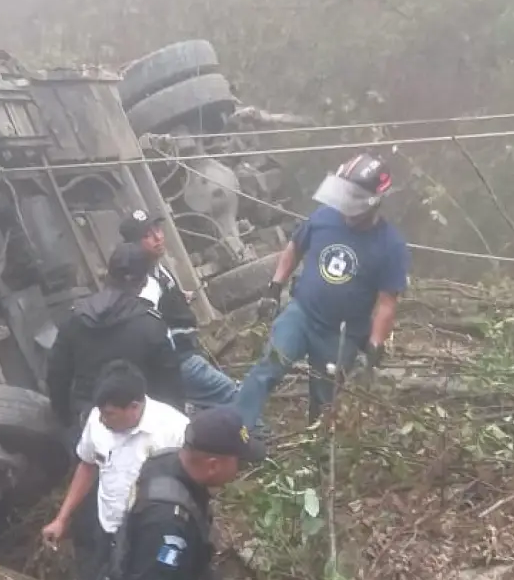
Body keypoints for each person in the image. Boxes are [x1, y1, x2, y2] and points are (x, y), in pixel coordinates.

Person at [66, 405, 264, 580]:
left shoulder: (168, 463)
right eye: (238, 462)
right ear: (213, 465)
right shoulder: (167, 521)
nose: (240, 469)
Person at [235, 154, 409, 431]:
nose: (345, 207)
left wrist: (375, 345)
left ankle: (313, 454)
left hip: (341, 334)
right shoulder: (324, 217)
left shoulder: (390, 246)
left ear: (374, 202)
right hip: (301, 314)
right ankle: (235, 430)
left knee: (326, 399)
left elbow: (387, 303)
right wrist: (274, 287)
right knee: (268, 367)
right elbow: (294, 247)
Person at [41, 361, 189, 580]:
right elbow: (87, 466)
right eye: (100, 411)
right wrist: (61, 519)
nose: (101, 419)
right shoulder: (97, 421)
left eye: (109, 414)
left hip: (147, 535)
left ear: (134, 407)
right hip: (106, 525)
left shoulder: (174, 431)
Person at [46, 242, 185, 434]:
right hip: (140, 423)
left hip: (89, 422)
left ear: (107, 276)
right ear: (144, 282)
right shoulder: (151, 324)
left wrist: (66, 420)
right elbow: (170, 384)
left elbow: (57, 375)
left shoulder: (75, 319)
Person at [120, 210, 239, 410]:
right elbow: (147, 327)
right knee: (235, 396)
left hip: (187, 354)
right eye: (148, 235)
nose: (158, 237)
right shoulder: (143, 281)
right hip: (180, 360)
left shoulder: (157, 267)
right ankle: (262, 437)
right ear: (133, 245)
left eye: (157, 229)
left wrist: (177, 298)